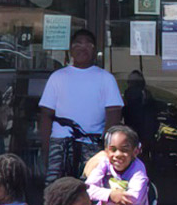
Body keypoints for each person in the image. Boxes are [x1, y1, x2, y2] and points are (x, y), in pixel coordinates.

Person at [38, 29, 122, 185]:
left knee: (91, 189)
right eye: (78, 44)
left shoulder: (106, 78)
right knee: (56, 190)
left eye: (88, 44)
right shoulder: (57, 77)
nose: (82, 48)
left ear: (94, 50)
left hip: (93, 143)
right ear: (70, 49)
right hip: (60, 142)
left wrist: (107, 146)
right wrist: (46, 146)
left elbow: (114, 114)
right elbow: (46, 114)